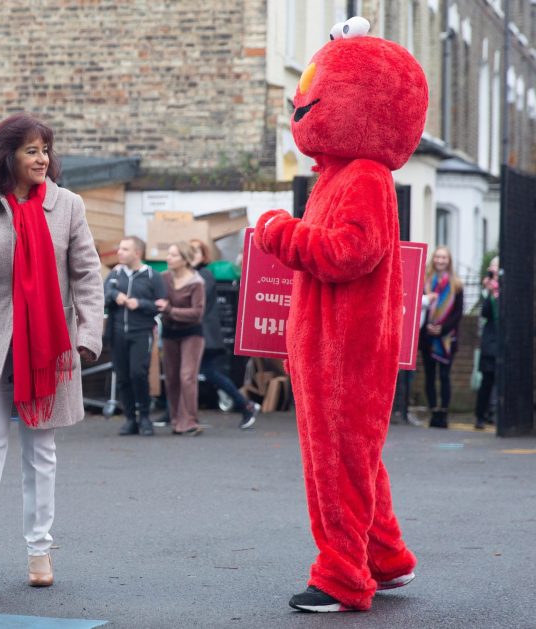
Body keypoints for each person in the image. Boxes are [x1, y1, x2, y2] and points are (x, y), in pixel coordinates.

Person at [254, 19, 426, 612]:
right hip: (332, 342)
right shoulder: (342, 176)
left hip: (344, 346)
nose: (303, 104)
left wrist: (281, 233)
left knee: (335, 462)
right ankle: (386, 558)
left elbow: (348, 253)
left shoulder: (365, 177)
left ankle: (342, 576)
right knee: (358, 457)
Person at [0, 113, 102, 592]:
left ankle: (39, 552)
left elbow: (88, 275)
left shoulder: (68, 206)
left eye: (45, 150)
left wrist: (89, 335)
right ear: (7, 155)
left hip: (49, 346)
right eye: (32, 150)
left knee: (41, 453)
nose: (42, 158)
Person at [189, 238, 259, 429]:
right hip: (196, 334)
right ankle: (175, 413)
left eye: (195, 252)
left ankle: (246, 405)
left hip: (204, 335)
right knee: (190, 373)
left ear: (203, 256)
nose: (191, 255)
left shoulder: (204, 276)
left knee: (207, 373)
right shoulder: (194, 274)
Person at [104, 236, 165, 436]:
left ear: (137, 253)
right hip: (117, 332)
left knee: (138, 373)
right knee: (122, 377)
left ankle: (145, 417)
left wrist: (140, 304)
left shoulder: (152, 276)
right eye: (119, 248)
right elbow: (103, 295)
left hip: (141, 332)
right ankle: (130, 419)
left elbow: (161, 305)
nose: (119, 252)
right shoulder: (115, 274)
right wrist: (115, 296)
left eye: (125, 249)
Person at [155, 242, 206, 435]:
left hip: (192, 333)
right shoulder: (164, 278)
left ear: (185, 260)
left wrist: (170, 310)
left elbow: (197, 313)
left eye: (173, 255)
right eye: (168, 254)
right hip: (169, 332)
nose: (168, 258)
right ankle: (176, 420)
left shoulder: (196, 282)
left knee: (187, 376)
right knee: (171, 378)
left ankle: (190, 421)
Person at [420, 245, 464, 429]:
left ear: (449, 261)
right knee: (429, 376)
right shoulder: (424, 282)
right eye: (437, 257)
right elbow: (418, 307)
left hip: (447, 339)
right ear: (433, 259)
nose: (440, 260)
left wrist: (442, 329)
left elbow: (457, 313)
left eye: (444, 258)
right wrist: (429, 327)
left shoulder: (457, 285)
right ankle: (433, 413)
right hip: (427, 337)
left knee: (444, 376)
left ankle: (444, 413)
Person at [474, 256, 499, 430]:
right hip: (490, 342)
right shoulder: (487, 291)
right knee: (487, 381)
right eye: (491, 267)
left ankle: (496, 414)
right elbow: (485, 313)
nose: (493, 270)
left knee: (502, 380)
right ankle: (480, 416)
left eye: (496, 267)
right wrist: (488, 292)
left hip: (505, 342)